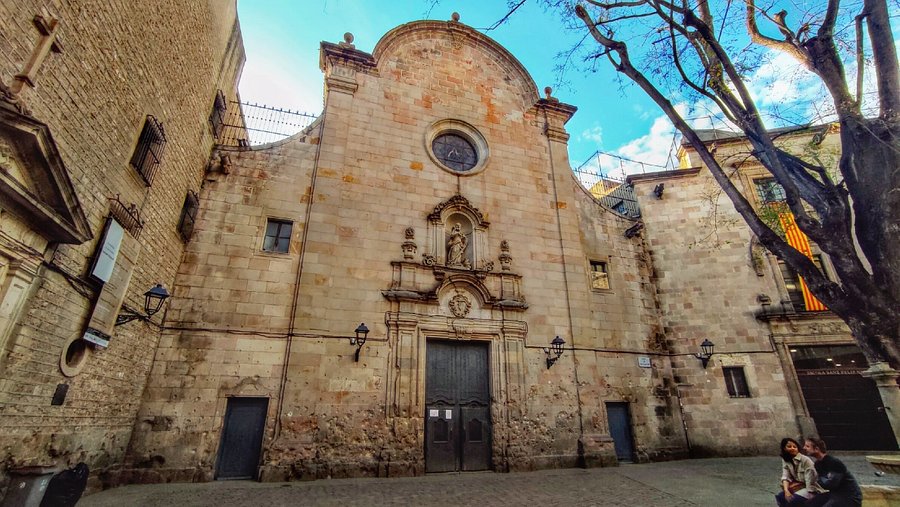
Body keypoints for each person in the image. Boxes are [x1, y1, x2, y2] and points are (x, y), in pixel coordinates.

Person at [802, 437, 862, 507]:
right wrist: (824, 481)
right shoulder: (818, 464)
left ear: (816, 449)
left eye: (807, 446)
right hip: (834, 494)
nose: (804, 448)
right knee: (809, 504)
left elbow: (832, 484)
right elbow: (824, 484)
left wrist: (822, 480)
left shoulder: (834, 462)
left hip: (849, 496)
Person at [776, 437, 821, 506]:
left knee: (792, 501)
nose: (792, 448)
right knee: (780, 497)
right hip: (800, 486)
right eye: (789, 446)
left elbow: (811, 481)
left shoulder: (805, 460)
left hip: (812, 488)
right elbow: (785, 476)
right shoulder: (785, 460)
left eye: (794, 447)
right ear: (784, 448)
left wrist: (810, 496)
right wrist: (786, 490)